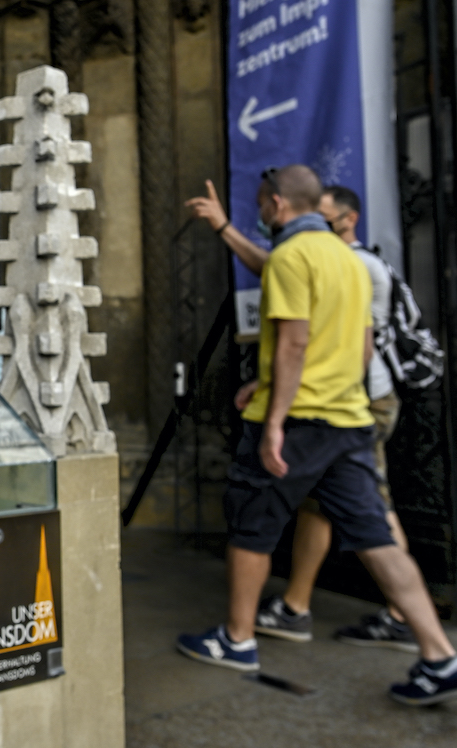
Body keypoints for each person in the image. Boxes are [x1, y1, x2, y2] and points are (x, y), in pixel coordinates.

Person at [175, 165, 457, 706]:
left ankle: (239, 639)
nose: (263, 215)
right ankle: (441, 655)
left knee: (252, 526)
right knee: (378, 536)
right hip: (349, 422)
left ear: (276, 204)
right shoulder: (350, 261)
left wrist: (274, 418)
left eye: (262, 208)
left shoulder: (294, 257)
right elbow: (362, 349)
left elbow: (294, 341)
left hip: (298, 423)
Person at [189, 182, 418, 651]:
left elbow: (333, 345)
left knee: (371, 512)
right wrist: (225, 227)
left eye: (326, 217)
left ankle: (402, 618)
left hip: (342, 406)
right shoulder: (332, 260)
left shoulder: (352, 264)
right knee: (327, 508)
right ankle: (297, 607)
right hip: (329, 404)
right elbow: (278, 277)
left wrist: (276, 411)